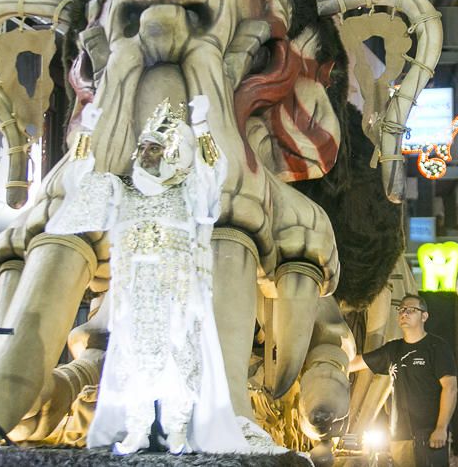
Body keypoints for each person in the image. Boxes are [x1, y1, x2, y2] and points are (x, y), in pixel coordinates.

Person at [47, 97, 285, 456]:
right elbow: (80, 187)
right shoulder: (120, 191)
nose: (145, 153)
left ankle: (177, 430)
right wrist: (86, 134)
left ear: (171, 152)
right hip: (133, 299)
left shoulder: (186, 193)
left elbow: (213, 175)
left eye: (154, 147)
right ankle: (137, 430)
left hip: (176, 298)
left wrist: (203, 126)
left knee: (178, 366)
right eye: (143, 147)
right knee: (134, 364)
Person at [349, 293, 457, 467]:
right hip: (399, 435)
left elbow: (450, 388)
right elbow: (357, 363)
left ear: (424, 316)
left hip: (429, 434)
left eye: (411, 310)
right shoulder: (393, 349)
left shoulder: (437, 347)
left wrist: (441, 428)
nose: (404, 313)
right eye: (401, 310)